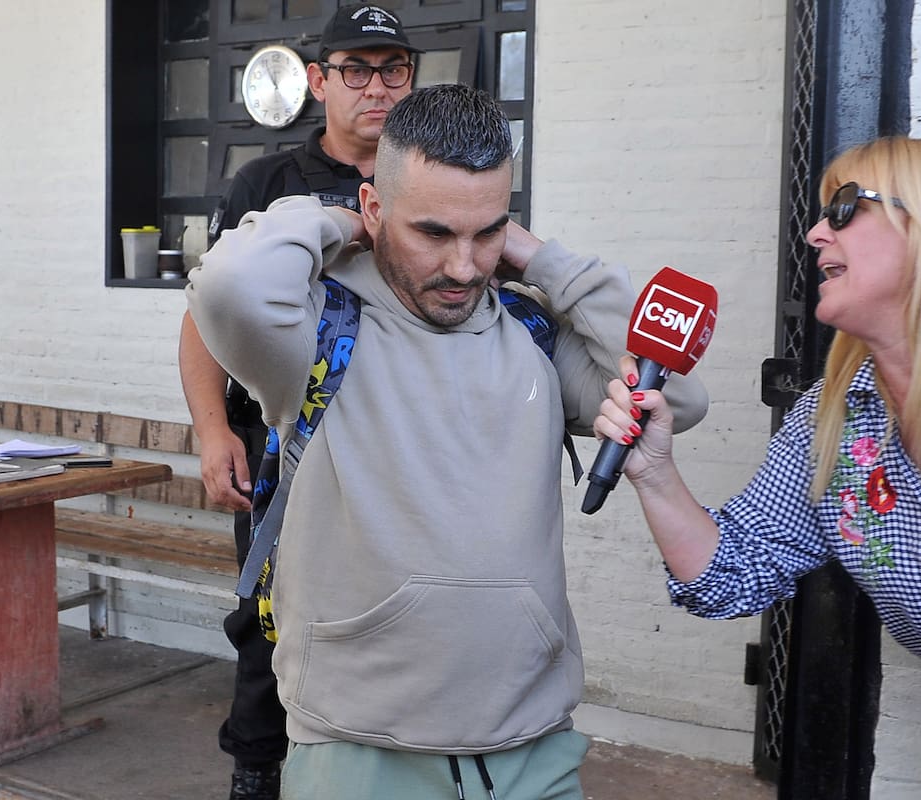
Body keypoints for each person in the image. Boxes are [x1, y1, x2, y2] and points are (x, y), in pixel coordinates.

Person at [186, 83, 710, 800]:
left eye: (487, 232)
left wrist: (541, 261)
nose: (465, 267)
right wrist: (340, 223)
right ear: (376, 209)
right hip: (361, 752)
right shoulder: (317, 332)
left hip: (535, 750)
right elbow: (230, 284)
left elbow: (674, 394)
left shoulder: (530, 333)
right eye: (433, 232)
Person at [593, 136, 921, 800]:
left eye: (844, 207)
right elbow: (728, 575)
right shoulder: (830, 419)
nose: (813, 233)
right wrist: (653, 471)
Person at [177, 6, 421, 799]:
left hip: (394, 441)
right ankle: (258, 772)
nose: (376, 88)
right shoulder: (266, 184)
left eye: (393, 70)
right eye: (356, 69)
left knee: (396, 613)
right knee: (267, 617)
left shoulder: (425, 176)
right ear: (318, 81)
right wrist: (215, 433)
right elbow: (201, 319)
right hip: (283, 444)